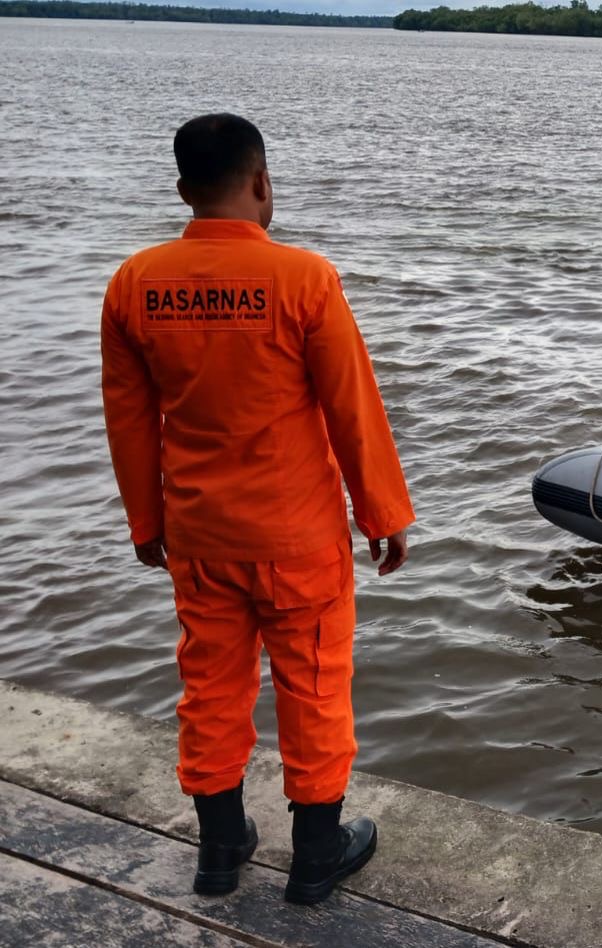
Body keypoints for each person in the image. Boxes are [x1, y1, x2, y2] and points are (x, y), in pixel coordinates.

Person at [101, 114, 414, 906]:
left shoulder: (136, 282)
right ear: (264, 183)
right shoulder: (304, 279)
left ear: (183, 192)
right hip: (295, 533)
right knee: (312, 685)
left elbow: (129, 417)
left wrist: (147, 522)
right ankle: (315, 855)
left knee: (209, 686)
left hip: (199, 534)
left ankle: (219, 849)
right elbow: (352, 406)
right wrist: (381, 512)